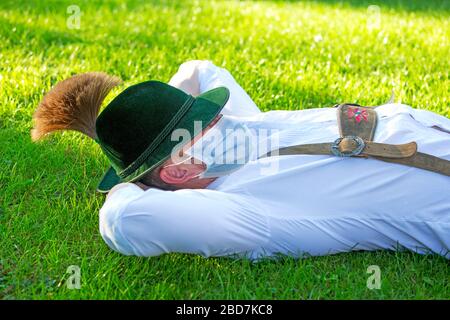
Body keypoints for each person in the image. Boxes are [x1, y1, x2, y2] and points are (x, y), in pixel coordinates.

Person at [32, 60, 450, 260]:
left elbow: (199, 70)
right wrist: (135, 182)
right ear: (178, 170)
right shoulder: (247, 211)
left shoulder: (243, 133)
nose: (224, 120)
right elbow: (125, 222)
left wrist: (158, 152)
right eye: (207, 124)